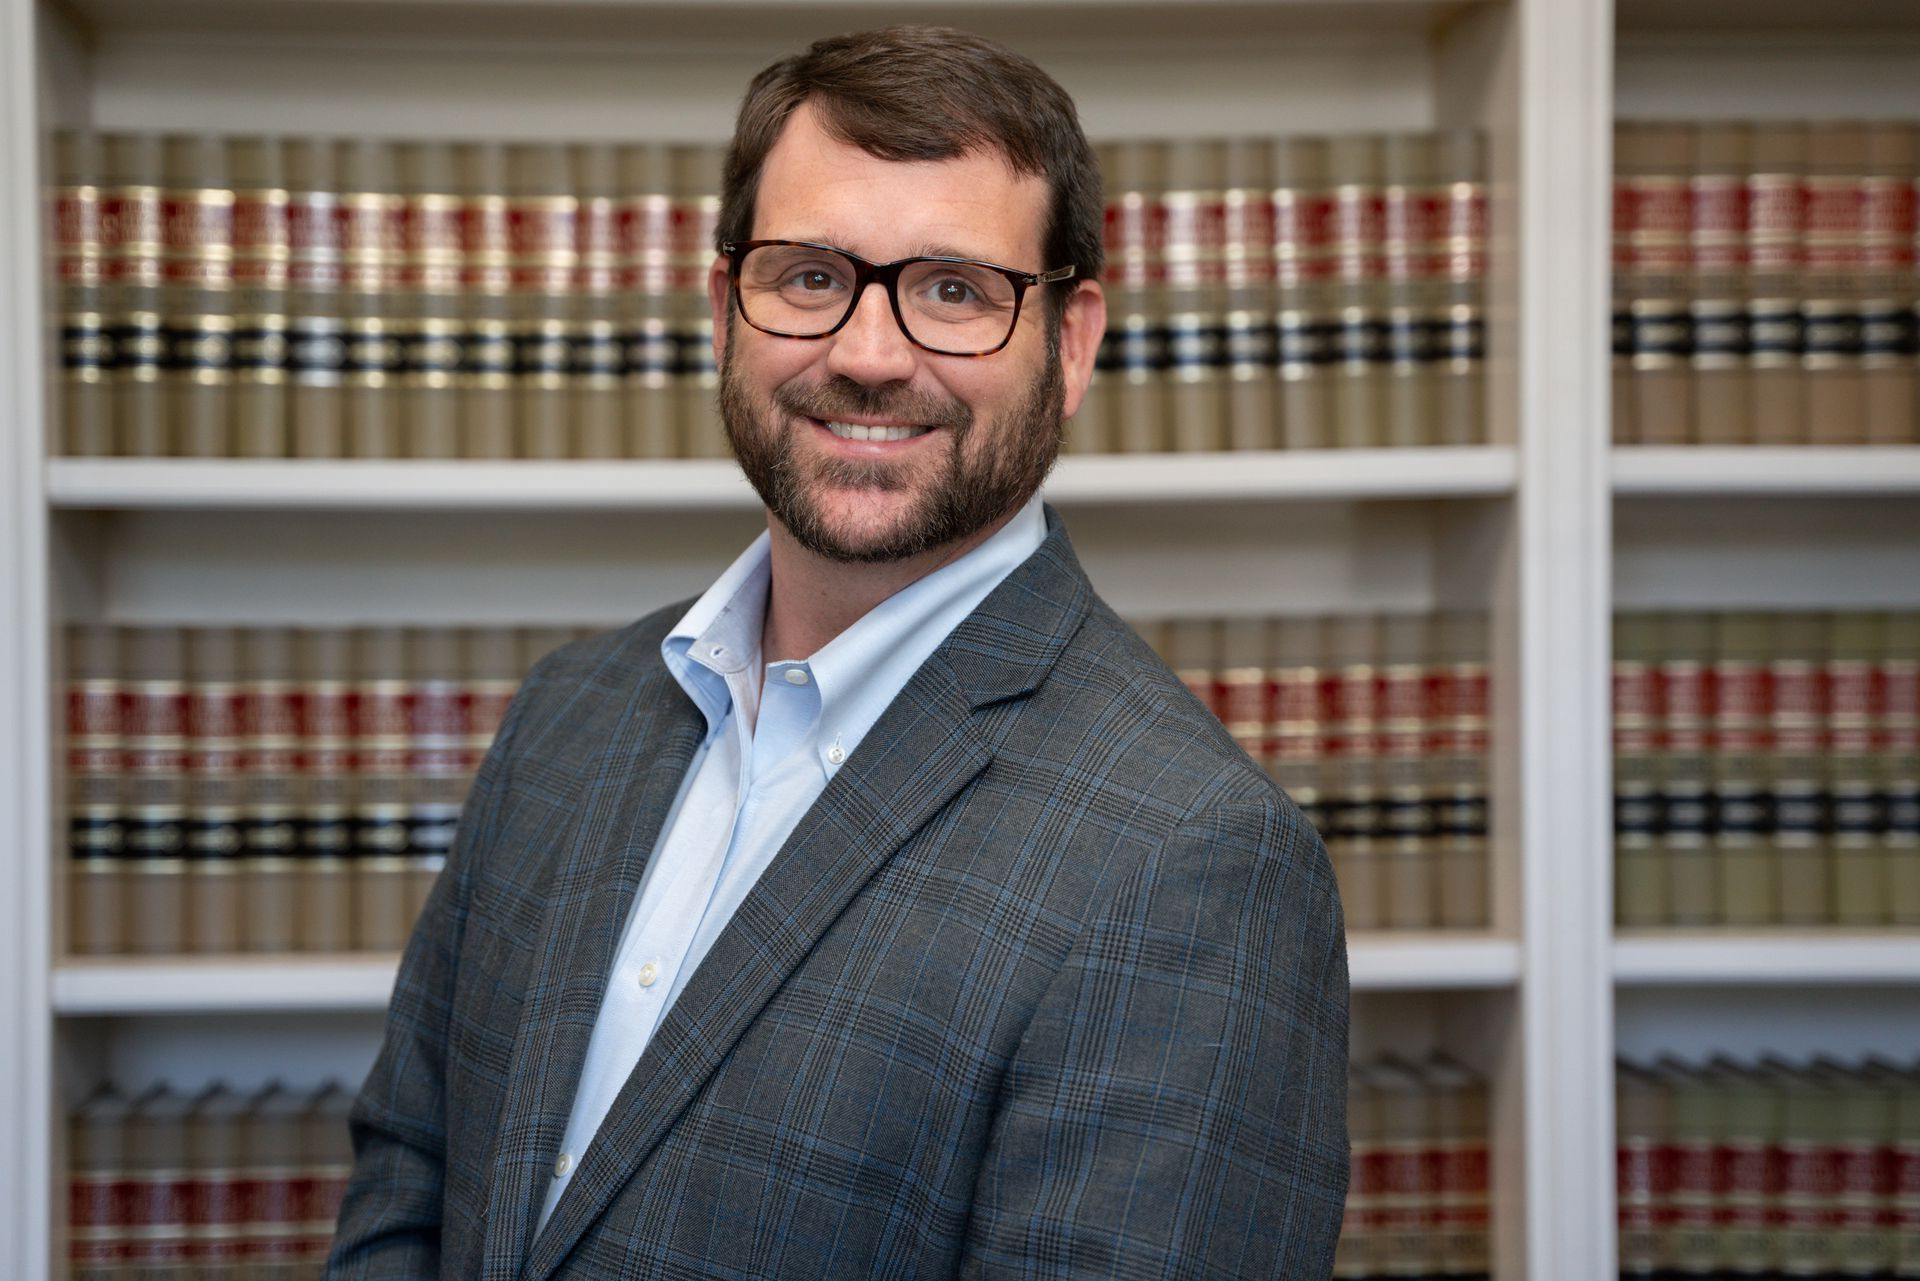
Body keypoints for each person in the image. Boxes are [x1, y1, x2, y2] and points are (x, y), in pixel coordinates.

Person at [327, 25, 1348, 1281]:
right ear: (724, 309)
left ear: (1071, 346)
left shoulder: (1194, 860)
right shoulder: (570, 715)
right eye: (812, 276)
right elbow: (406, 1186)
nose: (868, 355)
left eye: (956, 290)